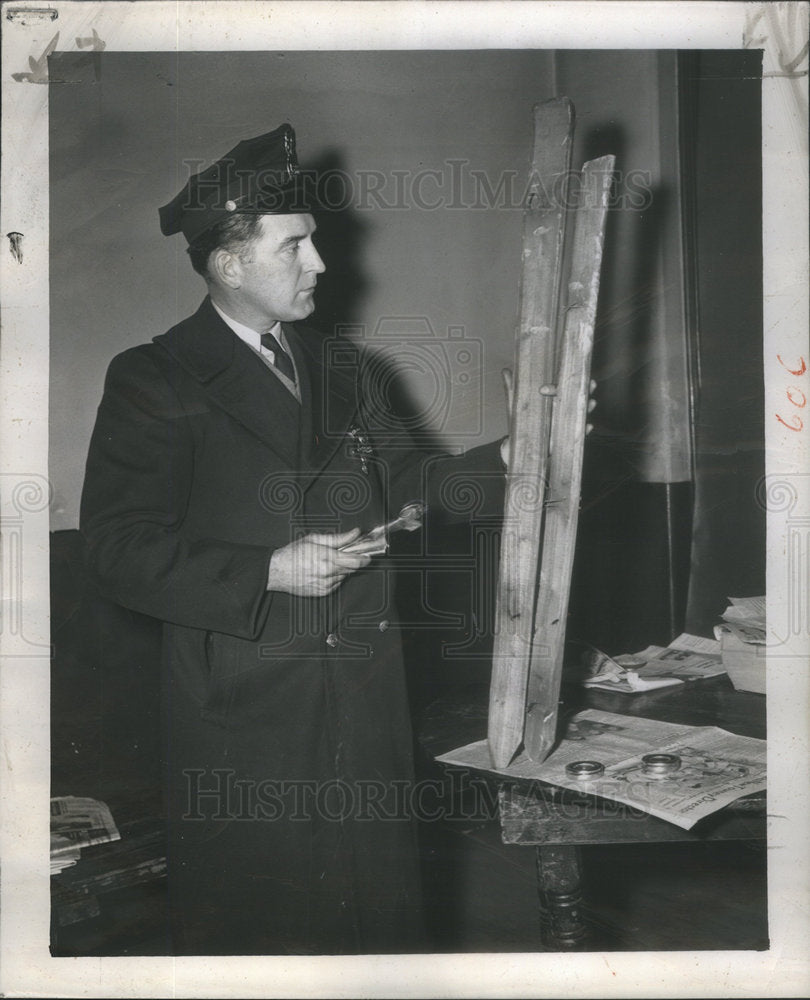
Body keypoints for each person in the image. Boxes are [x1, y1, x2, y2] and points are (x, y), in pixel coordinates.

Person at [80, 124, 506, 955]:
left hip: (368, 692)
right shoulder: (155, 377)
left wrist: (513, 455)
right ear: (230, 263)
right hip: (248, 710)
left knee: (379, 920)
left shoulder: (347, 370)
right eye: (297, 246)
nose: (320, 264)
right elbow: (116, 547)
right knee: (269, 930)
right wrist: (266, 569)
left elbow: (419, 489)